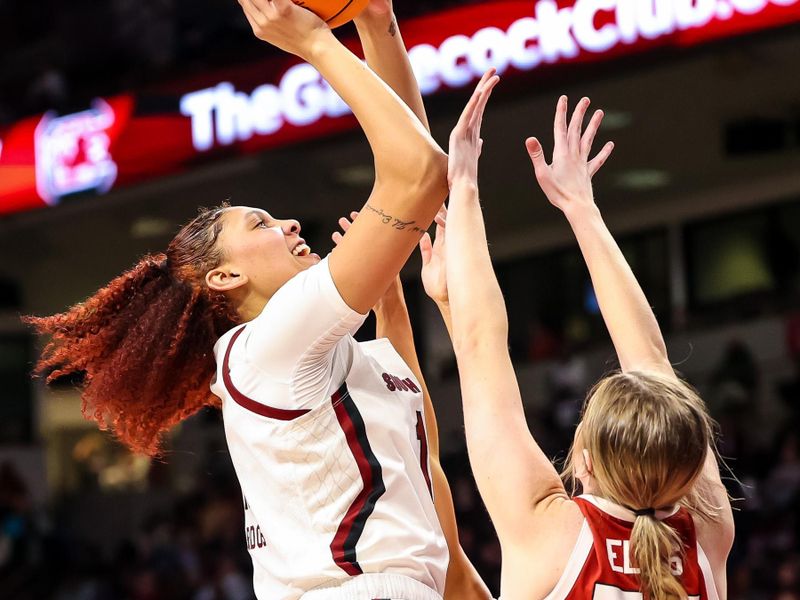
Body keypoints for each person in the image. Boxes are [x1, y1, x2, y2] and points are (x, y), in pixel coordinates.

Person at [25, 1, 494, 598]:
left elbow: (440, 540)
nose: (292, 224)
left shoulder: (349, 363)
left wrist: (379, 22)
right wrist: (316, 43)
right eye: (261, 223)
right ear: (222, 279)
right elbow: (420, 174)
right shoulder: (264, 348)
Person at [439, 93, 735, 598]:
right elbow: (651, 362)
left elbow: (478, 343)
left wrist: (463, 186)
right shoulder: (707, 535)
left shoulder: (553, 536)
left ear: (585, 464)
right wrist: (576, 205)